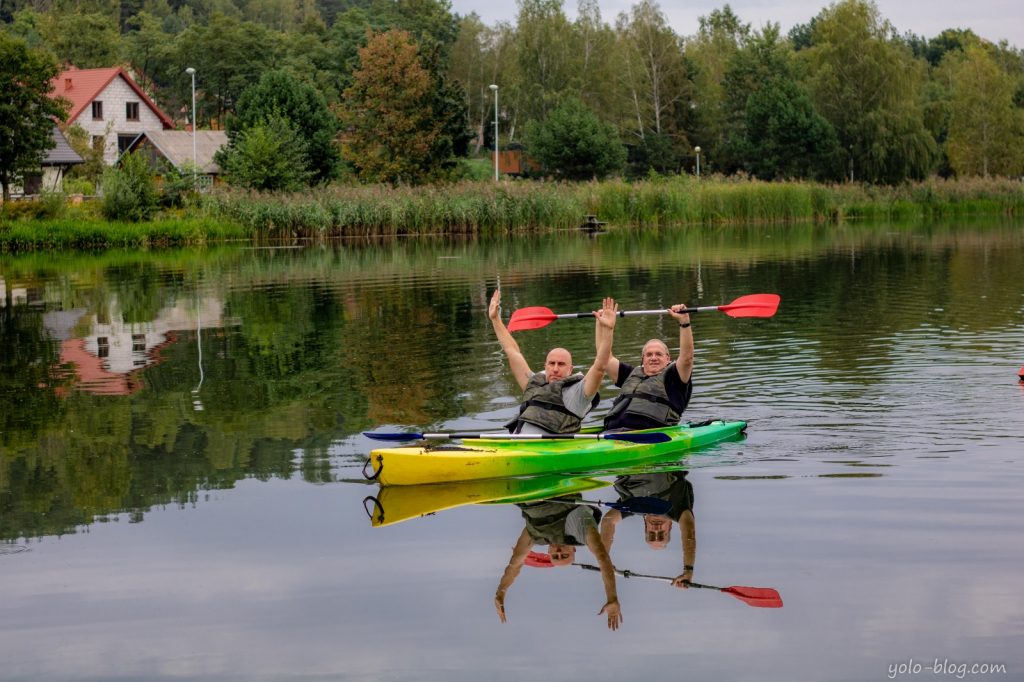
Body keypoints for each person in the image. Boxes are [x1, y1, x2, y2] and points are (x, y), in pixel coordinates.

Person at [488, 290, 618, 434]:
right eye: (551, 363)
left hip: (549, 452)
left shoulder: (579, 393)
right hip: (517, 444)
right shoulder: (533, 384)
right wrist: (495, 319)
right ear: (545, 366)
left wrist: (608, 330)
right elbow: (512, 351)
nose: (555, 369)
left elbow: (600, 365)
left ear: (570, 370)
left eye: (561, 364)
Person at [494, 495, 622, 630]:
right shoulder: (580, 531)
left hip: (528, 498)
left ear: (549, 550)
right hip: (560, 494)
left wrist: (501, 592)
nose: (559, 551)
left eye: (555, 555)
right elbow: (602, 556)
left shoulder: (537, 536)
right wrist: (612, 596)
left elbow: (515, 563)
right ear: (573, 549)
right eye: (564, 555)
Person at [602, 303, 694, 431]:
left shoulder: (675, 378)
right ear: (642, 359)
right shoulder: (630, 374)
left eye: (659, 354)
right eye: (649, 354)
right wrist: (605, 327)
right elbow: (605, 359)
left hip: (650, 435)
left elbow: (687, 358)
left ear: (668, 359)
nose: (653, 358)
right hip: (612, 432)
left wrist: (684, 322)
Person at [599, 470, 697, 589]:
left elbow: (608, 521)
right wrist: (688, 569)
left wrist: (604, 561)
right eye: (661, 534)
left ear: (646, 525)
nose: (656, 529)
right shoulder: (678, 510)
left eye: (651, 534)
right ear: (670, 525)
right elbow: (689, 531)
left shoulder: (633, 507)